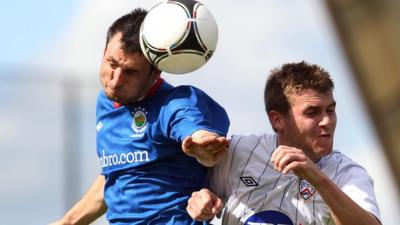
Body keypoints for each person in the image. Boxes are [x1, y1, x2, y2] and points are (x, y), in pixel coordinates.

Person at [52, 8, 229, 225]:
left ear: (155, 73)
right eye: (112, 63)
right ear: (103, 52)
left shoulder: (175, 103)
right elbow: (116, 175)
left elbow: (195, 132)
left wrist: (203, 146)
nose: (116, 80)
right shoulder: (106, 103)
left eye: (130, 72)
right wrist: (67, 222)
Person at [186, 61, 381, 225]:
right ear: (277, 120)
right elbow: (195, 193)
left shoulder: (347, 173)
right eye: (312, 112)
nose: (327, 121)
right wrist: (199, 199)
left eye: (330, 110)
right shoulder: (239, 151)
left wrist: (318, 178)